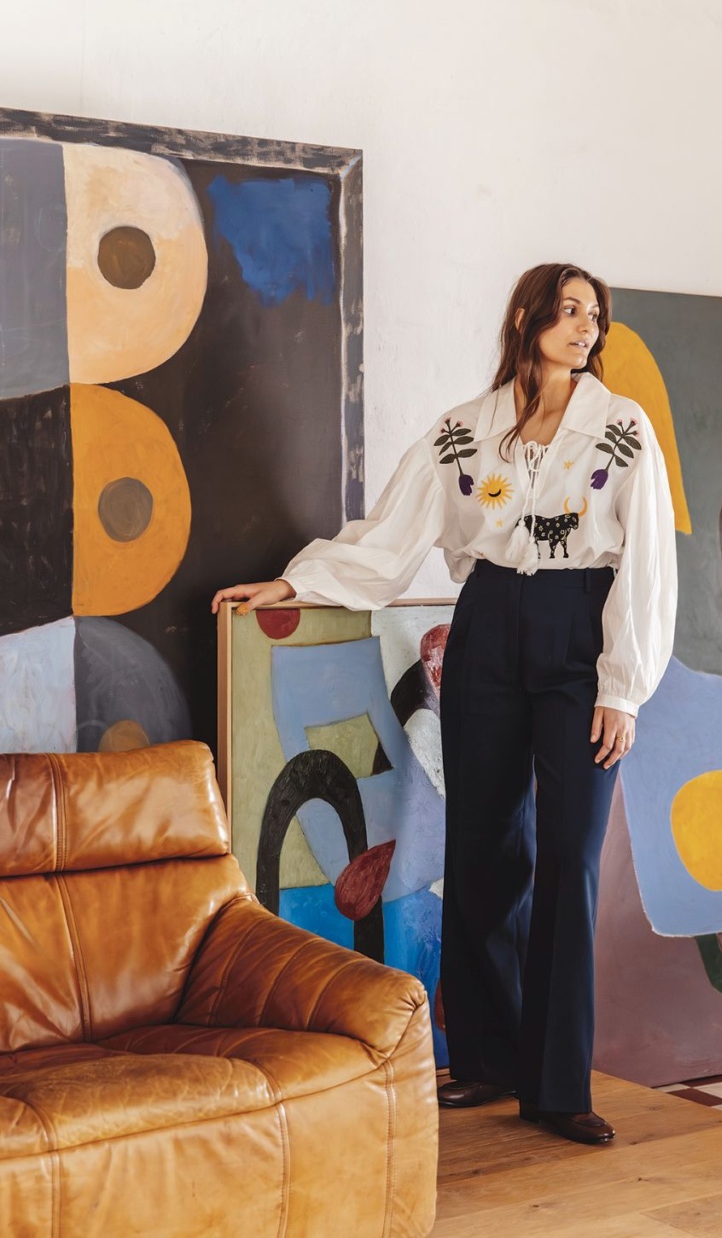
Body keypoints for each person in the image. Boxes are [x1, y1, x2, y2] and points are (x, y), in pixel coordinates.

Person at [211, 262, 677, 1146]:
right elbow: (390, 535)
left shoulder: (621, 428)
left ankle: (557, 1085)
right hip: (488, 622)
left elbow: (649, 558)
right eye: (570, 310)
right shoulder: (464, 432)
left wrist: (624, 685)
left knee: (570, 858)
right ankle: (490, 1062)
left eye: (595, 316)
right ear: (528, 316)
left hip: (581, 630)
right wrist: (291, 582)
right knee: (484, 848)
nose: (586, 328)